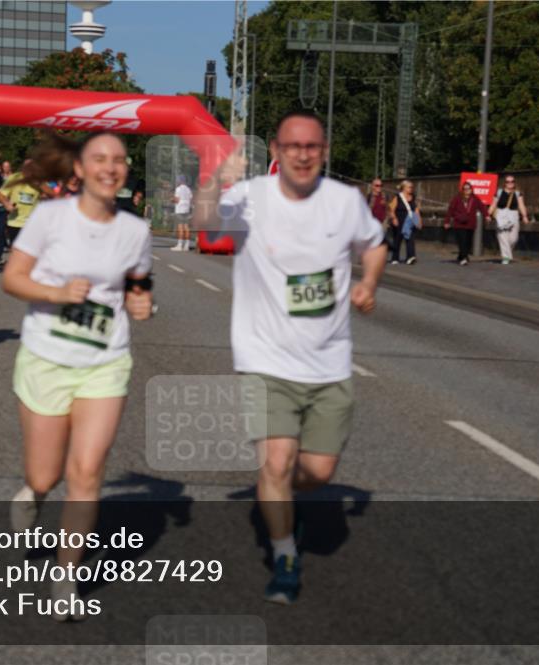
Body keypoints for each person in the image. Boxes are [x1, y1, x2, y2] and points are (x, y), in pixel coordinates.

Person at [192, 110, 387, 605]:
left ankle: (279, 493)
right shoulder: (252, 197)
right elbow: (203, 219)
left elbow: (376, 244)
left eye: (313, 147)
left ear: (323, 152)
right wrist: (220, 175)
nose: (303, 154)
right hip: (265, 358)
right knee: (277, 463)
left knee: (317, 474)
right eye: (292, 146)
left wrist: (368, 281)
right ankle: (284, 556)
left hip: (329, 361)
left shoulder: (345, 202)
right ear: (277, 152)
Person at [1, 131, 153, 621]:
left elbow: (138, 281)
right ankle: (33, 493)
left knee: (86, 472)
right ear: (80, 169)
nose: (111, 167)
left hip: (106, 362)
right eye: (100, 159)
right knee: (45, 474)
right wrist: (61, 294)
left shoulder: (136, 230)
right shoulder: (49, 218)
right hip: (46, 356)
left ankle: (65, 578)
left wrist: (142, 301)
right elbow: (12, 278)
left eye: (120, 160)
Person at [0, 158, 42, 257]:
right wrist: (6, 204)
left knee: (31, 252)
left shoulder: (39, 180)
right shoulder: (14, 178)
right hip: (15, 221)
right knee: (16, 251)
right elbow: (0, 194)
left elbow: (52, 194)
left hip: (32, 222)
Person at [490, 174, 530, 265]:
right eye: (508, 181)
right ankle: (505, 257)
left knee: (514, 238)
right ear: (504, 183)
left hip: (513, 215)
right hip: (501, 216)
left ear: (514, 183)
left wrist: (524, 216)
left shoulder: (518, 193)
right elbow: (493, 204)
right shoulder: (499, 192)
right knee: (502, 237)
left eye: (512, 181)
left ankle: (507, 253)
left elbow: (521, 205)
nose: (510, 183)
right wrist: (488, 214)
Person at [443, 182, 487, 266]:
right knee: (462, 241)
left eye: (469, 189)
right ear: (462, 190)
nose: (467, 191)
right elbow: (450, 210)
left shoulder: (474, 199)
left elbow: (482, 207)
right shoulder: (457, 198)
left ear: (471, 190)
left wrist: (487, 216)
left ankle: (461, 255)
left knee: (468, 242)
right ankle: (463, 258)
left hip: (470, 224)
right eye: (465, 189)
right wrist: (447, 221)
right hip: (459, 223)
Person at [387, 179, 421, 265]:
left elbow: (416, 209)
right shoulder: (398, 197)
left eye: (412, 187)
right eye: (410, 187)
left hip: (409, 222)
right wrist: (394, 218)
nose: (411, 189)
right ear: (404, 188)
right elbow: (391, 208)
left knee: (410, 239)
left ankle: (410, 257)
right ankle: (395, 257)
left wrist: (418, 221)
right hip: (399, 220)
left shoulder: (413, 197)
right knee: (397, 239)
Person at [171, 174, 192, 251]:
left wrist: (172, 199)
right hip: (187, 209)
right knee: (186, 227)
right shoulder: (188, 189)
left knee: (180, 227)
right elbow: (190, 198)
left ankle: (179, 245)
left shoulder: (178, 189)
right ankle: (187, 245)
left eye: (178, 180)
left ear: (180, 180)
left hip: (180, 209)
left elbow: (177, 200)